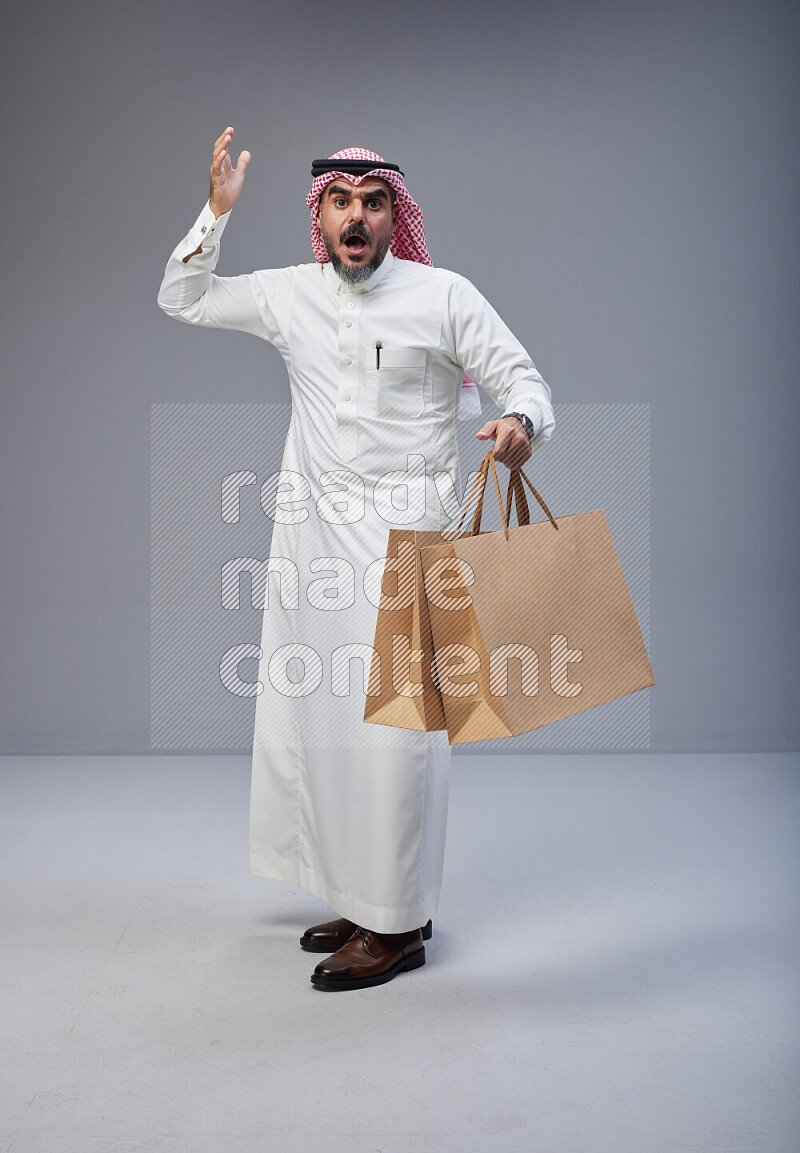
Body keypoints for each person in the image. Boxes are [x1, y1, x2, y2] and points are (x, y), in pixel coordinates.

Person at [157, 128, 555, 991]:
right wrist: (215, 214)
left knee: (399, 742)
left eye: (374, 204)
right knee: (326, 727)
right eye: (342, 201)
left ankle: (401, 924)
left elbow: (522, 379)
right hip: (310, 542)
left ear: (391, 215)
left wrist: (520, 426)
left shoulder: (443, 293)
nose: (358, 218)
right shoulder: (290, 295)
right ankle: (361, 895)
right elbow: (182, 297)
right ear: (322, 213)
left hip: (409, 538)